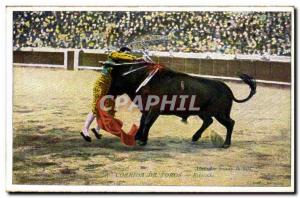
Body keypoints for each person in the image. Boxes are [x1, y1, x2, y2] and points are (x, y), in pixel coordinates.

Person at [80, 47, 144, 142]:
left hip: (109, 86)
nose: (127, 56)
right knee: (95, 107)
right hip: (101, 84)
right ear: (121, 52)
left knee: (106, 108)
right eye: (126, 54)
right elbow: (124, 56)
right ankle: (85, 129)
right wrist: (135, 58)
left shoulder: (120, 63)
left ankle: (97, 129)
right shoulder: (114, 54)